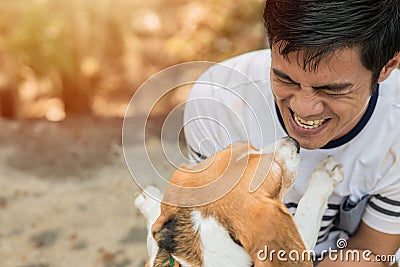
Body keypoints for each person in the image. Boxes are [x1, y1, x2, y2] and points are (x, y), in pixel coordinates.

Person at [183, 0, 400, 266]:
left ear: (387, 67)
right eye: (285, 79)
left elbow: (371, 249)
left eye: (332, 90)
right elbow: (211, 236)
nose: (303, 108)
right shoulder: (217, 101)